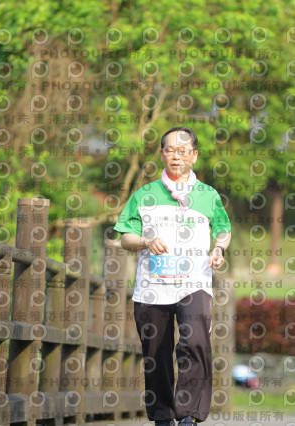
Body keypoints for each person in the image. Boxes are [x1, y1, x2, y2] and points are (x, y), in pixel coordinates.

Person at [114, 127, 231, 426]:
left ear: (194, 155)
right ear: (162, 154)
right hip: (152, 287)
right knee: (157, 353)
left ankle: (189, 416)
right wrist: (144, 242)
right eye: (169, 150)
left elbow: (223, 230)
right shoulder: (145, 194)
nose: (176, 156)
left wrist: (218, 249)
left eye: (183, 150)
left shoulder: (208, 195)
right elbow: (125, 237)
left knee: (195, 344)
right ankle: (163, 417)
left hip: (195, 283)